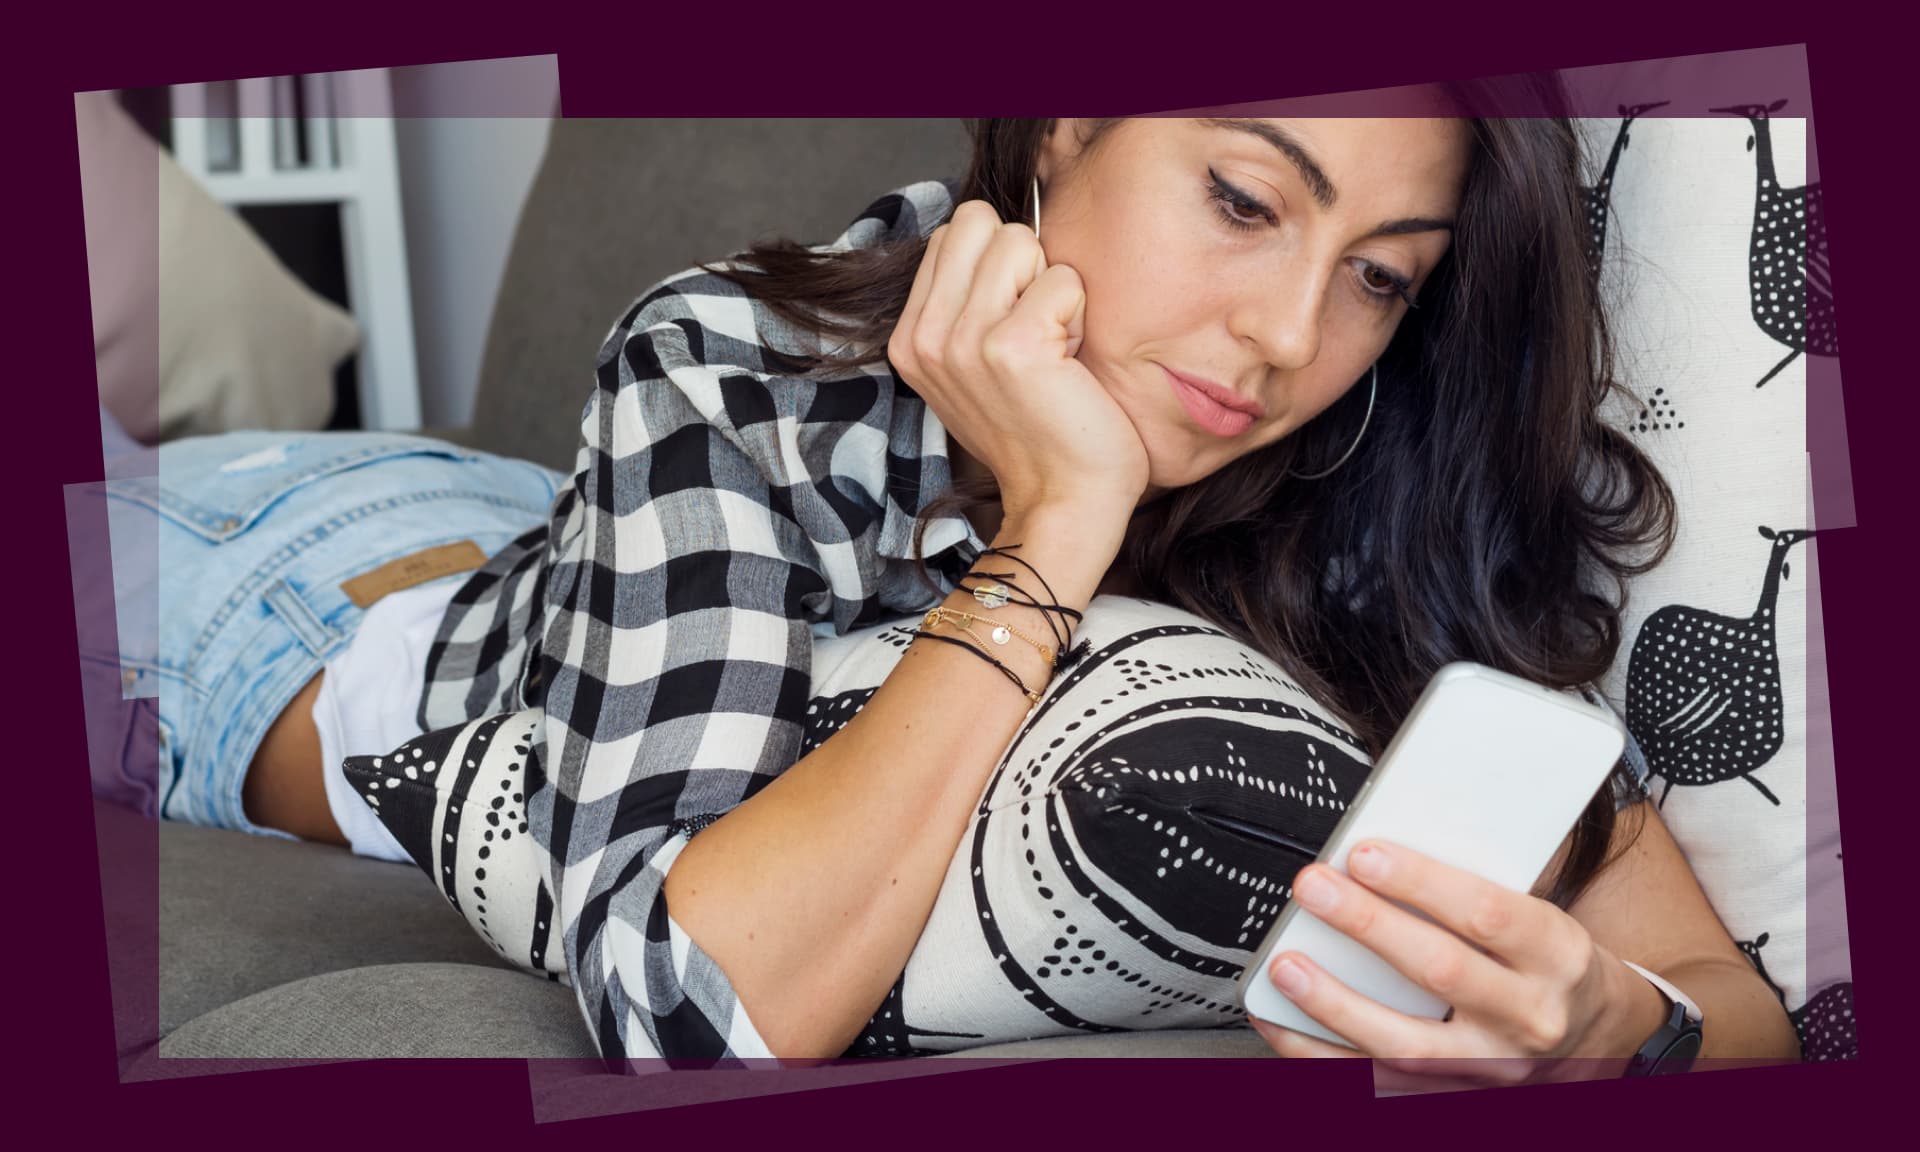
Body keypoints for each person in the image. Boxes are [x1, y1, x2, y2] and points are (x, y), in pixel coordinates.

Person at [114, 100, 1800, 1081]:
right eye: (1239, 198)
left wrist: (1609, 1036)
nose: (1289, 335)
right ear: (1068, 123)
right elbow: (686, 1005)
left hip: (527, 517)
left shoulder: (1356, 483)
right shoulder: (735, 357)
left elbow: (1735, 1004)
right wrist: (1063, 518)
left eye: (1376, 276)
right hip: (277, 603)